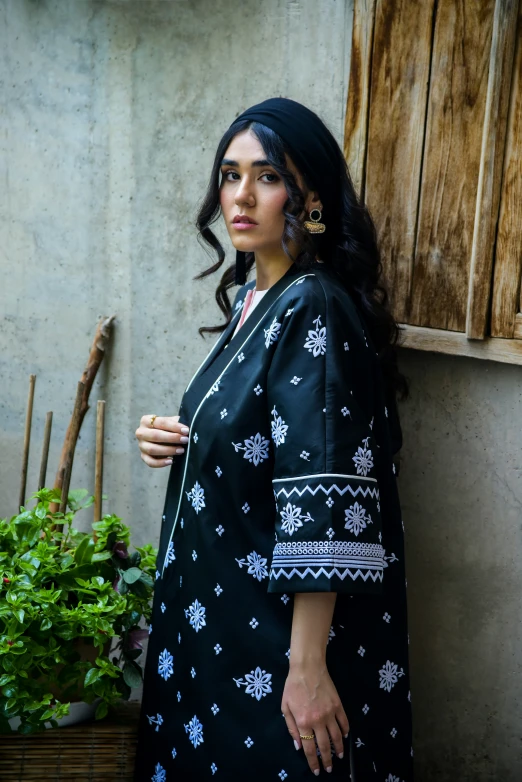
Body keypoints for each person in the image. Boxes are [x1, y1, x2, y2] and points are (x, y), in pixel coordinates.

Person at [133, 97, 413, 781]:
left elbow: (325, 498)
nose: (242, 195)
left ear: (310, 197)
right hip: (216, 638)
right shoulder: (258, 299)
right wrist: (179, 437)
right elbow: (258, 437)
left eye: (267, 176)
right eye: (230, 175)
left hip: (275, 650)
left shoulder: (311, 305)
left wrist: (308, 668)